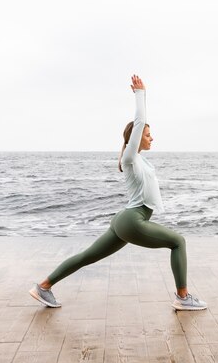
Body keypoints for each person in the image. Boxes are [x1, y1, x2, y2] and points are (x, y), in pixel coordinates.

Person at [29, 74, 207, 311]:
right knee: (178, 242)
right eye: (146, 134)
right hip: (133, 220)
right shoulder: (130, 157)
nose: (151, 137)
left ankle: (43, 286)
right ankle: (183, 297)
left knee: (86, 256)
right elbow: (140, 119)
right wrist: (141, 94)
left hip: (125, 220)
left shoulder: (139, 160)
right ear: (135, 138)